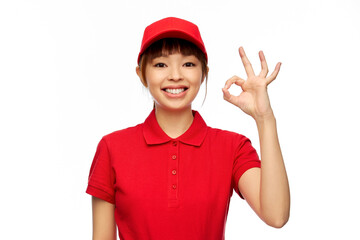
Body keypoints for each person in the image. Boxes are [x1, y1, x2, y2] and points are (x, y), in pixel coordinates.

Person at [86, 17, 290, 240]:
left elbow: (276, 216)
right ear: (141, 74)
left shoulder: (233, 147)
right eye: (160, 64)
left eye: (188, 64)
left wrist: (265, 119)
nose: (175, 75)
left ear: (204, 73)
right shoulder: (112, 148)